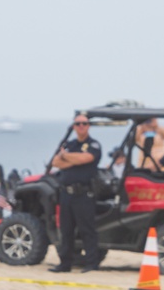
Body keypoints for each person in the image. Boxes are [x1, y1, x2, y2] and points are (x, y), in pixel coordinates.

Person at [49, 113, 102, 273]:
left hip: (84, 194)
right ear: (74, 126)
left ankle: (92, 263)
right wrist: (71, 159)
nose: (81, 126)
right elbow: (56, 162)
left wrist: (66, 157)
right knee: (66, 230)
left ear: (88, 126)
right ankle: (65, 263)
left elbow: (86, 158)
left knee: (86, 229)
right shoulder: (70, 144)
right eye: (78, 124)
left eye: (84, 123)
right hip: (67, 193)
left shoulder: (94, 144)